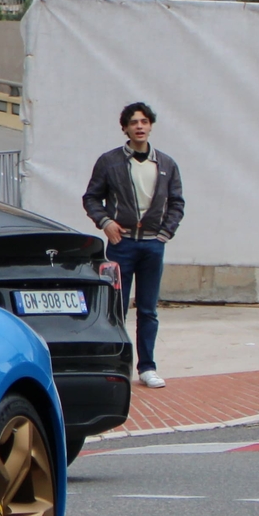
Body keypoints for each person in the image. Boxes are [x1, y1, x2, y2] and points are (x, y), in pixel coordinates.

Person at [81, 101, 185, 390]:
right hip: (122, 245)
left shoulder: (166, 164)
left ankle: (148, 367)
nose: (139, 126)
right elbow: (91, 197)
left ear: (151, 126)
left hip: (153, 246)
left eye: (144, 121)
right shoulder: (110, 161)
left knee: (148, 309)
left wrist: (165, 233)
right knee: (117, 308)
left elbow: (177, 202)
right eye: (133, 122)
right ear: (125, 128)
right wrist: (106, 223)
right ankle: (118, 364)